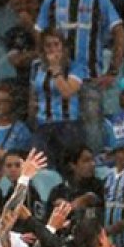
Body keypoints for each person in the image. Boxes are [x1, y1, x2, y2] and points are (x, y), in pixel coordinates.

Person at [35, 0, 124, 153]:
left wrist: (112, 71)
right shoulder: (52, 1)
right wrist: (46, 62)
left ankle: (93, 166)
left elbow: (119, 32)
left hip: (89, 78)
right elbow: (39, 33)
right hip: (58, 79)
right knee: (55, 126)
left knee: (92, 128)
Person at [29, 29, 87, 174]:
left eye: (56, 44)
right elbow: (33, 94)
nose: (52, 49)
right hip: (43, 125)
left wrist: (56, 69)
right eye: (48, 45)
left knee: (68, 169)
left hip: (68, 125)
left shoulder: (75, 67)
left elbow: (67, 92)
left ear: (63, 47)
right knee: (41, 170)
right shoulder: (36, 67)